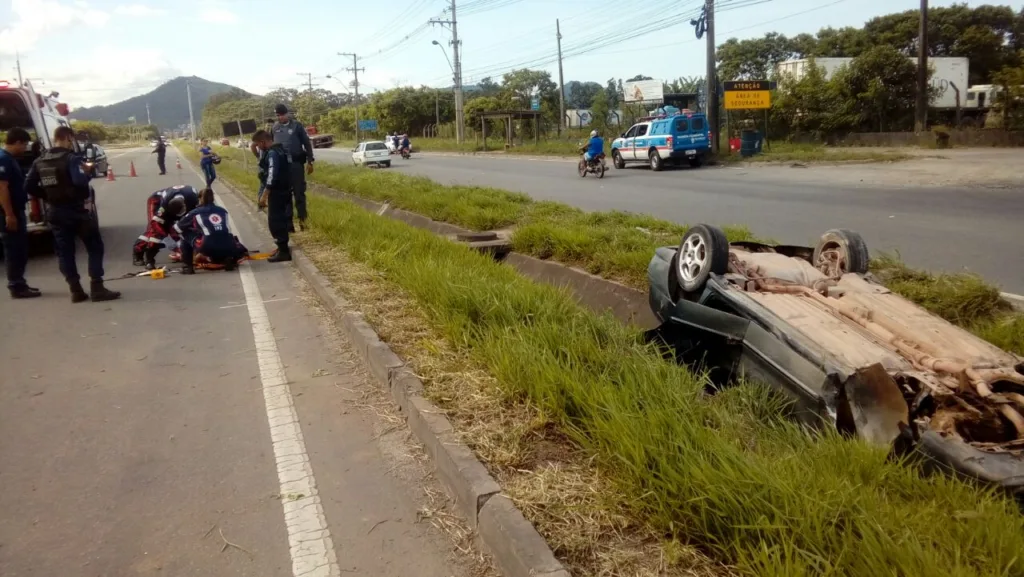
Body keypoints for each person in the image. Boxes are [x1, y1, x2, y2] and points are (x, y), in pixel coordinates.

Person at [25, 126, 120, 303]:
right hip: (77, 211)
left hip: (55, 211)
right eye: (72, 140)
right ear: (68, 138)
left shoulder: (39, 161)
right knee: (94, 247)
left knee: (65, 252)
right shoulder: (71, 159)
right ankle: (97, 287)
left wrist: (47, 195)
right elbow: (80, 182)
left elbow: (28, 186)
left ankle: (75, 290)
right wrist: (89, 171)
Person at [0, 128, 40, 299]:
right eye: (24, 145)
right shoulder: (3, 159)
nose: (25, 149)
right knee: (14, 250)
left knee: (20, 249)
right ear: (17, 142)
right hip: (9, 213)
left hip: (17, 210)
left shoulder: (10, 159)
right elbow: (2, 189)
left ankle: (19, 283)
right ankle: (16, 286)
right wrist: (9, 214)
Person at [174, 188, 248, 274]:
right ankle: (227, 258)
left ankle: (188, 267)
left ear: (200, 199)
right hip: (229, 245)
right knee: (218, 234)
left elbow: (177, 228)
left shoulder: (195, 212)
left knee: (184, 233)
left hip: (207, 245)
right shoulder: (223, 210)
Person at [131, 184, 200, 269]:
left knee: (183, 226)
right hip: (156, 201)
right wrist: (166, 236)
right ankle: (138, 251)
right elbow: (156, 222)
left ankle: (182, 249)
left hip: (175, 203)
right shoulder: (164, 203)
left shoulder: (193, 196)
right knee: (155, 230)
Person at [271, 104, 314, 232]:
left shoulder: (297, 126)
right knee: (286, 196)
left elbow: (307, 144)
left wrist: (310, 161)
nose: (280, 117)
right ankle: (289, 226)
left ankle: (303, 222)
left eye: (282, 115)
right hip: (282, 166)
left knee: (299, 194)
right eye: (278, 115)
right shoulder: (274, 128)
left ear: (287, 114)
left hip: (296, 165)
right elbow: (270, 146)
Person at [253, 129, 292, 262]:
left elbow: (272, 173)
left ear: (263, 142)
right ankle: (282, 249)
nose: (258, 147)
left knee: (275, 221)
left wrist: (265, 193)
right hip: (284, 189)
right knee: (280, 219)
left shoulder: (272, 153)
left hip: (277, 191)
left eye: (258, 144)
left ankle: (283, 251)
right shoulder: (280, 150)